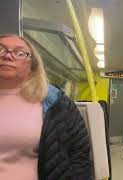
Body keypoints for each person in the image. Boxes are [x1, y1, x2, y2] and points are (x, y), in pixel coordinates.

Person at [0, 34, 92, 179]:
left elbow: (79, 155)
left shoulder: (57, 104)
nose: (7, 56)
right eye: (1, 49)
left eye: (19, 53)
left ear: (32, 65)